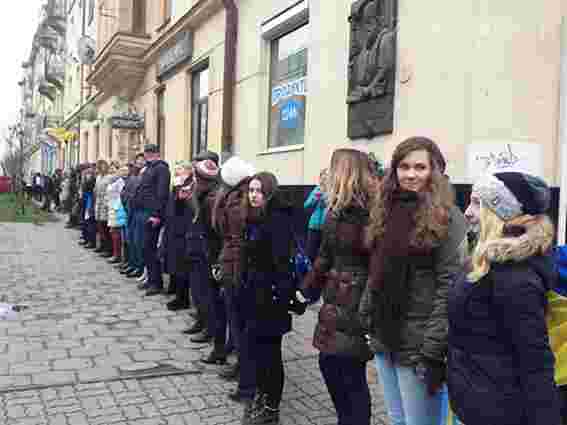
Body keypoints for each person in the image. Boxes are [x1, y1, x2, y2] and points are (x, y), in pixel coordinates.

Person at [360, 137, 467, 425]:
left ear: (435, 170)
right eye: (404, 166)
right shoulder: (386, 208)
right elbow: (377, 270)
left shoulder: (449, 217)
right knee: (397, 419)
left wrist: (431, 349)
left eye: (420, 167)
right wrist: (367, 316)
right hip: (385, 335)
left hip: (419, 345)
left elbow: (450, 287)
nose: (410, 174)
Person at [447, 172, 560, 425]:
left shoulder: (514, 277)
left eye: (478, 203)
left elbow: (535, 360)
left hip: (498, 410)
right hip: (477, 400)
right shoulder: (486, 261)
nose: (467, 211)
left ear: (502, 212)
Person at [301, 149, 376, 425]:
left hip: (357, 305)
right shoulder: (335, 210)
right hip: (336, 301)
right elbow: (324, 256)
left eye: (333, 169)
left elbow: (378, 268)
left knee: (350, 374)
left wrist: (369, 316)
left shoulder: (372, 213)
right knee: (330, 365)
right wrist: (306, 290)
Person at [238, 172, 296, 425]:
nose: (253, 195)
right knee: (257, 352)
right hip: (253, 294)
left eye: (259, 191)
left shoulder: (277, 221)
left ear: (270, 192)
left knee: (271, 355)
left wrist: (278, 299)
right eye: (251, 190)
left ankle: (272, 408)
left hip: (270, 298)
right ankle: (262, 395)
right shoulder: (253, 219)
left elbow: (282, 265)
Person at [210, 156, 256, 392]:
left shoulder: (236, 200)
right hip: (232, 263)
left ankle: (246, 377)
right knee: (236, 320)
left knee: (239, 321)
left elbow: (235, 240)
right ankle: (242, 367)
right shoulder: (237, 197)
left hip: (236, 266)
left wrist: (232, 270)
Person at [131, 144, 171, 295]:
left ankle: (156, 283)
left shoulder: (161, 168)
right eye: (146, 153)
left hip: (152, 213)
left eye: (149, 153)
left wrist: (156, 214)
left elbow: (161, 193)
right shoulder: (149, 168)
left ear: (156, 154)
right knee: (145, 248)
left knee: (151, 248)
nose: (147, 156)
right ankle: (151, 279)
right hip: (143, 211)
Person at [162, 161, 195, 311]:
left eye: (180, 169)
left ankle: (183, 299)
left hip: (183, 231)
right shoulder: (177, 184)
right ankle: (178, 294)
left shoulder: (190, 185)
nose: (177, 172)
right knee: (175, 264)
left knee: (182, 266)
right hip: (173, 229)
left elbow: (187, 208)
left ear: (188, 171)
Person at [120, 154, 146, 277]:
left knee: (138, 241)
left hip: (139, 211)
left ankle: (138, 266)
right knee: (130, 240)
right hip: (130, 210)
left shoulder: (144, 176)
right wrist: (126, 203)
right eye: (138, 160)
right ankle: (132, 264)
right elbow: (124, 192)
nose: (140, 163)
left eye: (142, 161)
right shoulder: (132, 176)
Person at [303, 168, 328, 262]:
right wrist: (314, 199)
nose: (324, 179)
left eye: (327, 177)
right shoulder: (316, 189)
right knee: (310, 253)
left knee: (324, 254)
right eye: (323, 177)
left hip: (326, 227)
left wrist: (327, 199)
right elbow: (306, 205)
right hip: (313, 226)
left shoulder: (333, 191)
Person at [106, 164, 128, 264]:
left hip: (118, 208)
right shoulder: (112, 180)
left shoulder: (120, 181)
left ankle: (118, 255)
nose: (111, 170)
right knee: (113, 231)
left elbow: (121, 194)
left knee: (117, 232)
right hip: (111, 206)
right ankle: (115, 254)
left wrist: (117, 206)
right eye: (110, 168)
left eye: (114, 168)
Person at [94, 160, 113, 257]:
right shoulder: (98, 178)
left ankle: (108, 249)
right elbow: (96, 191)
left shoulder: (110, 178)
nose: (101, 168)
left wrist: (106, 203)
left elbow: (110, 191)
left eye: (102, 166)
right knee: (100, 227)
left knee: (106, 227)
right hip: (98, 204)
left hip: (105, 204)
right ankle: (102, 245)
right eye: (99, 167)